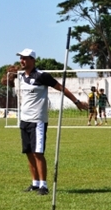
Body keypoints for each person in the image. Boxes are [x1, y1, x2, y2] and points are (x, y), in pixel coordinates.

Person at [16, 49, 87, 195]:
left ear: (32, 60)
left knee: (38, 153)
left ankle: (44, 185)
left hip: (38, 121)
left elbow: (61, 88)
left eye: (24, 58)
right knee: (28, 152)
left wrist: (77, 102)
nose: (22, 61)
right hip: (24, 120)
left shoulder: (42, 76)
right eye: (21, 58)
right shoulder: (22, 76)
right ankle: (35, 183)